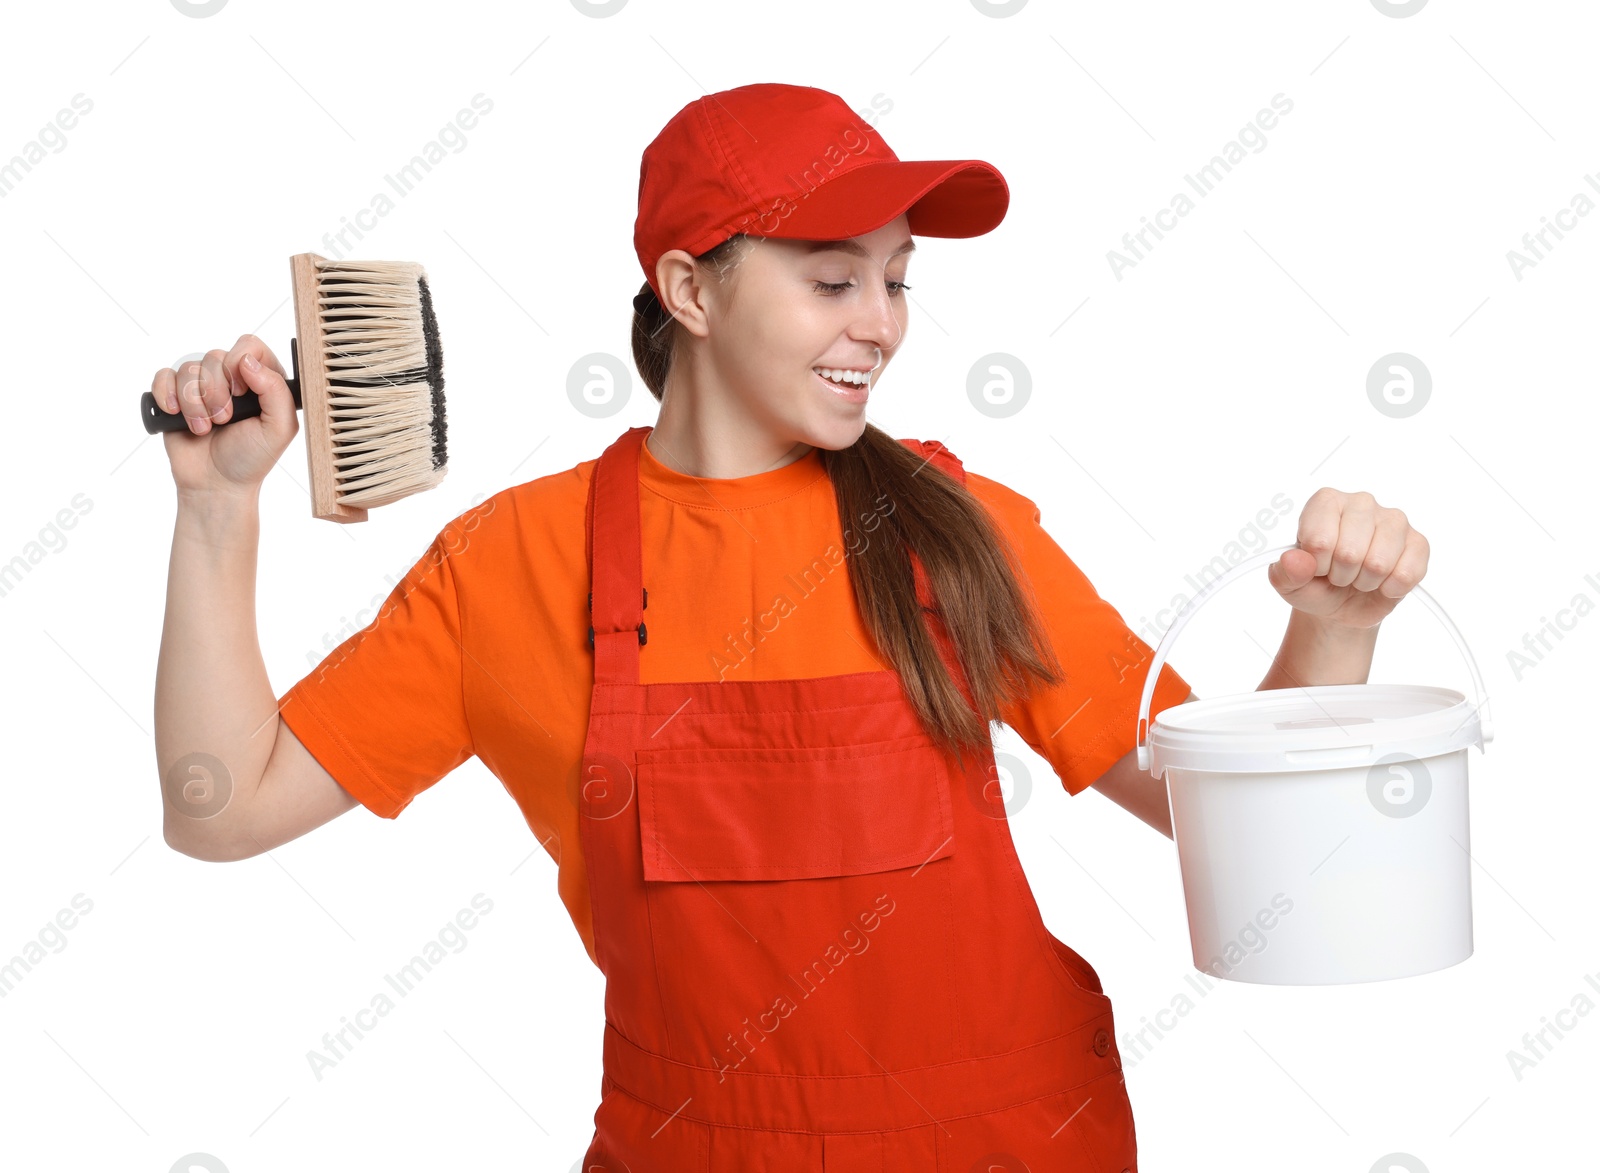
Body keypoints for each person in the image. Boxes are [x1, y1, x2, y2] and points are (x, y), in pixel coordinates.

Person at [152, 82, 1430, 1170]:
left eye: (894, 280)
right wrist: (216, 516)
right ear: (689, 292)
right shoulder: (514, 565)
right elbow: (222, 811)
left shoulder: (950, 526)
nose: (877, 322)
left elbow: (1257, 841)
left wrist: (1337, 633)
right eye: (831, 279)